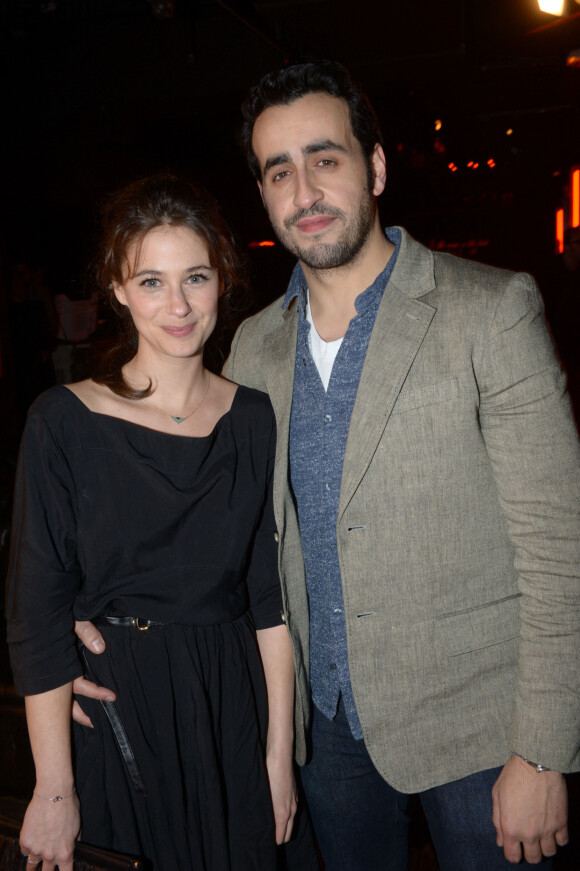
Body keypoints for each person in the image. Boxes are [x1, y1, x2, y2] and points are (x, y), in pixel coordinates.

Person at [74, 62, 580, 871]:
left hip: (481, 734)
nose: (304, 188)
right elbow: (211, 533)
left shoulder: (490, 309)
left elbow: (562, 551)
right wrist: (93, 628)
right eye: (280, 170)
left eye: (326, 158)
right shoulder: (251, 347)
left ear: (374, 167)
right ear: (265, 193)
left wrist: (546, 750)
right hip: (321, 733)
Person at [5, 174, 304, 871]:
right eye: (151, 281)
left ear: (222, 280)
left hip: (229, 704)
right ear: (115, 287)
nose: (177, 305)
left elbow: (271, 599)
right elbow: (36, 613)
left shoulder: (252, 416)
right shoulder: (62, 422)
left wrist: (278, 753)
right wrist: (54, 787)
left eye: (195, 277)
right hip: (117, 710)